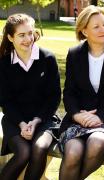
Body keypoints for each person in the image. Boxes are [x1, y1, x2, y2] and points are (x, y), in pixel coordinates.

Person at [58, 5, 104, 180]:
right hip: (79, 120)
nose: (103, 29)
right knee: (73, 152)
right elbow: (69, 91)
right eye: (96, 26)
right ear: (84, 31)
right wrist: (76, 115)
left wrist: (101, 117)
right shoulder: (75, 53)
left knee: (96, 143)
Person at [0, 13, 61, 180]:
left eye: (30, 33)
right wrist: (21, 124)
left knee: (40, 148)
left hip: (44, 118)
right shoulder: (4, 64)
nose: (28, 39)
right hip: (15, 119)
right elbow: (5, 101)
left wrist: (35, 121)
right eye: (21, 35)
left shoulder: (47, 58)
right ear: (10, 37)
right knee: (23, 153)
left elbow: (54, 97)